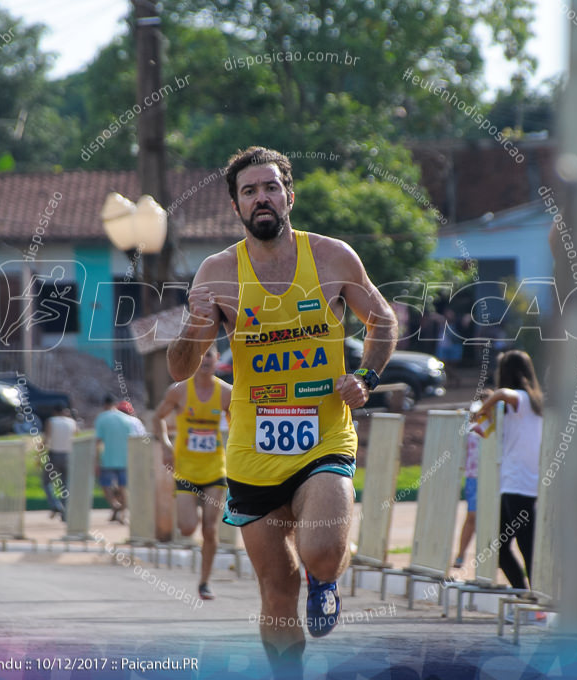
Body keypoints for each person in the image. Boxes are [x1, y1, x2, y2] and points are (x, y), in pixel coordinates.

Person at [166, 146, 397, 678]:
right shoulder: (218, 272)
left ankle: (327, 576)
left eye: (270, 187)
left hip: (324, 436)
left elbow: (382, 321)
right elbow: (181, 369)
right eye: (249, 191)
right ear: (236, 207)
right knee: (276, 589)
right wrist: (190, 329)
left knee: (319, 551)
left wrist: (366, 377)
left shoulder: (334, 257)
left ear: (288, 196)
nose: (261, 198)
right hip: (252, 453)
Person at [153, 343, 232, 601]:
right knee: (187, 528)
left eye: (210, 355)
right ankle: (193, 512)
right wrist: (166, 446)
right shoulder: (178, 391)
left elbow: (237, 425)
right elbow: (158, 418)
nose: (205, 360)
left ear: (217, 359)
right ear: (194, 360)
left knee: (210, 529)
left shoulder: (226, 393)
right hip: (186, 470)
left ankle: (204, 582)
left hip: (215, 469)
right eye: (201, 355)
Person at [472, 351, 543, 591]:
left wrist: (483, 407)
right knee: (502, 550)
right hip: (517, 484)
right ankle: (524, 595)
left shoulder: (521, 399)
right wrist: (485, 419)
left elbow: (502, 393)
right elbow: (486, 431)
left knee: (526, 548)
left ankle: (537, 601)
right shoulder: (531, 404)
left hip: (518, 483)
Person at [454, 389, 492, 570]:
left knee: (490, 519)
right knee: (472, 516)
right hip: (473, 478)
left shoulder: (495, 427)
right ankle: (461, 554)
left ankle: (490, 559)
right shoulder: (471, 429)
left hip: (492, 477)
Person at [93, 395, 146, 524]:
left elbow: (97, 442)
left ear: (104, 405)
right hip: (126, 459)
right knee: (123, 487)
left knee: (106, 486)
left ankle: (115, 506)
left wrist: (96, 461)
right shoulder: (130, 420)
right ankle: (123, 513)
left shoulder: (102, 418)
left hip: (108, 459)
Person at [43, 405, 77, 521]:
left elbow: (47, 439)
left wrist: (40, 455)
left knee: (47, 482)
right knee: (65, 484)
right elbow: (77, 434)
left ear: (54, 411)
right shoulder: (72, 422)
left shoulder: (51, 421)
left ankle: (56, 505)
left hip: (54, 454)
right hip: (68, 455)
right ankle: (65, 513)